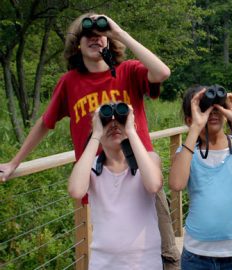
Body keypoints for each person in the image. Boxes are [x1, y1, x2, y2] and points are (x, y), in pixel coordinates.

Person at [0, 13, 180, 268]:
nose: (96, 40)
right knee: (111, 246)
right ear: (77, 43)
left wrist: (118, 32)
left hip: (141, 173)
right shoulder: (69, 82)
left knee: (166, 251)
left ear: (110, 41)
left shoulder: (128, 71)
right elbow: (45, 123)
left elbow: (162, 72)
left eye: (101, 36)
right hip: (99, 180)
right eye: (88, 36)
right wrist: (14, 162)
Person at [169, 85, 232, 269]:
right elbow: (176, 184)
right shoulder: (187, 152)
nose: (212, 114)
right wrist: (196, 127)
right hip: (197, 256)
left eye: (217, 108)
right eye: (205, 109)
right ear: (189, 119)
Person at [68, 105, 163, 269]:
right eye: (106, 122)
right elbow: (76, 190)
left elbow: (154, 184)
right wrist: (96, 133)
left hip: (145, 263)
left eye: (120, 120)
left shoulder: (149, 160)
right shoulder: (90, 167)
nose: (113, 125)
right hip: (104, 263)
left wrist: (131, 131)